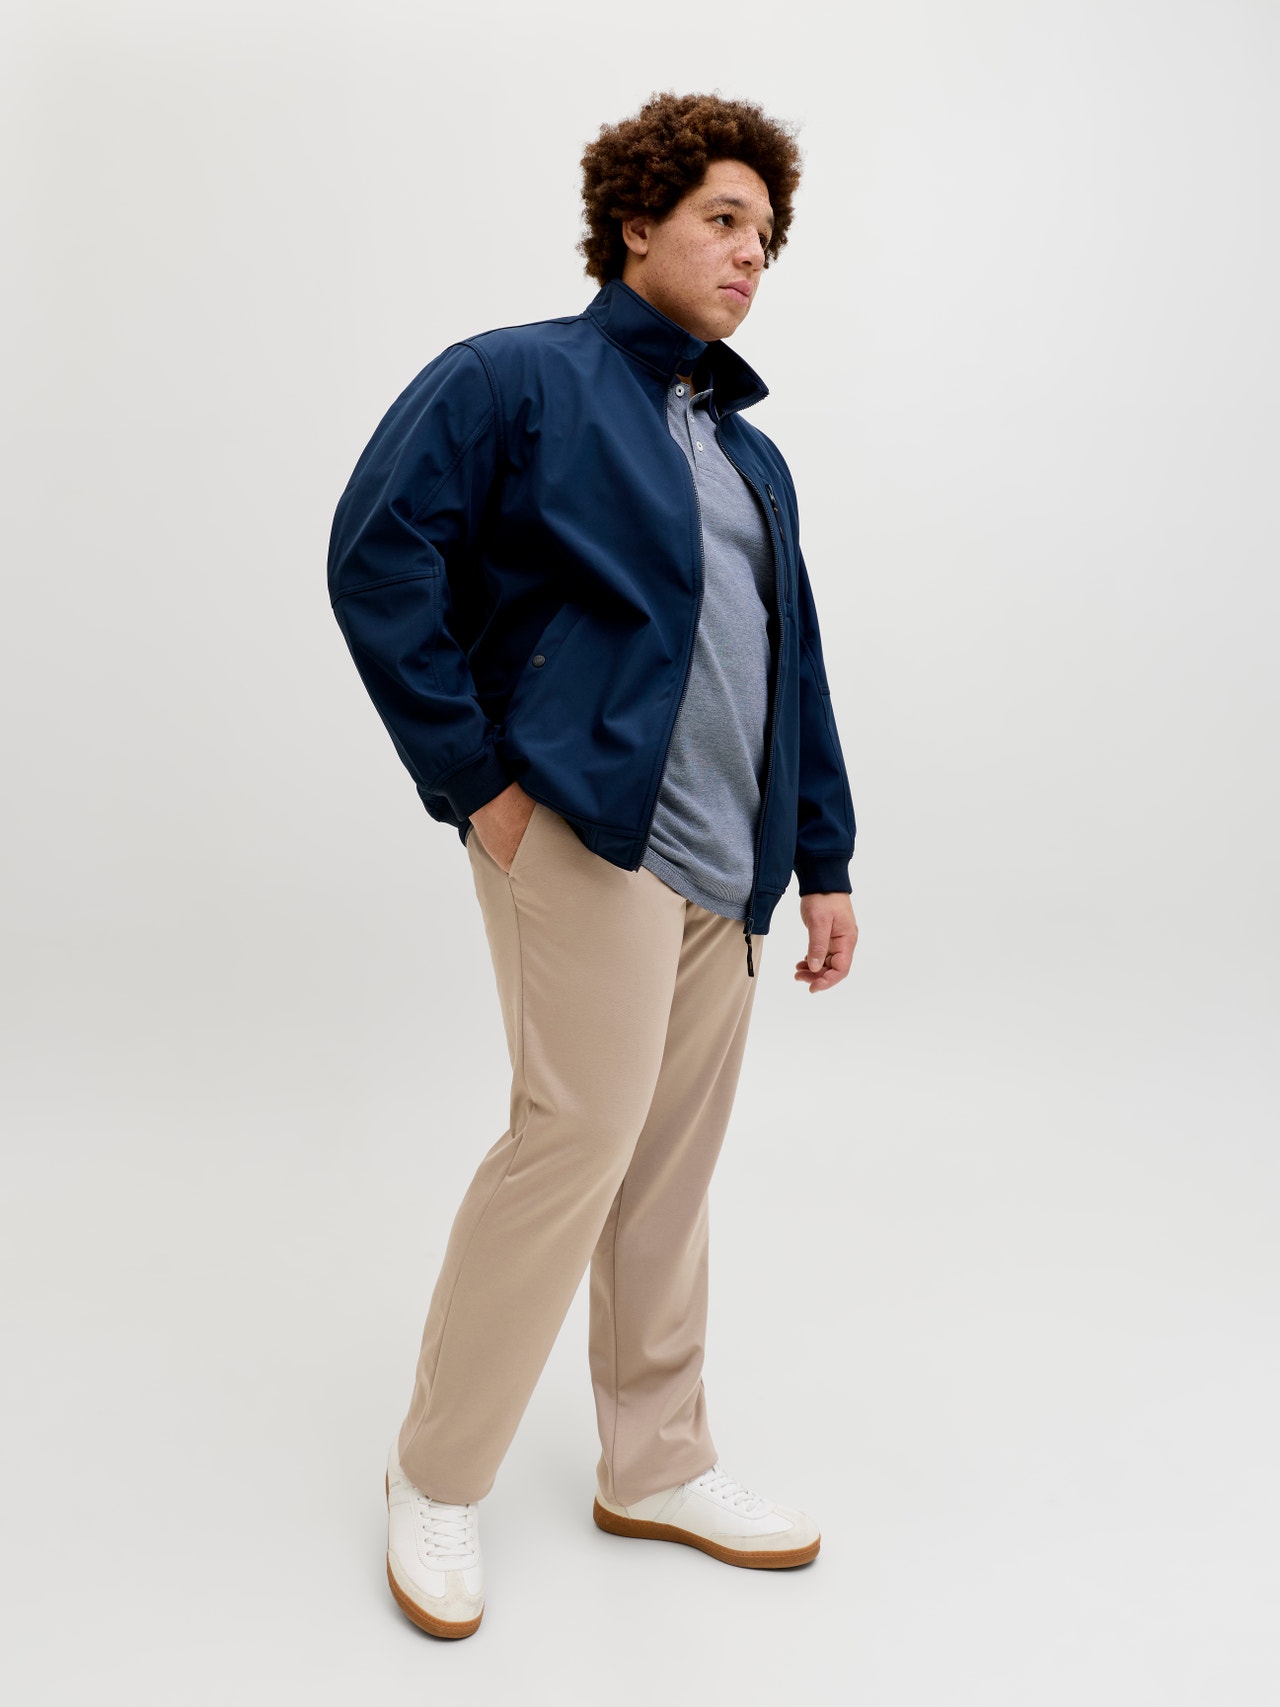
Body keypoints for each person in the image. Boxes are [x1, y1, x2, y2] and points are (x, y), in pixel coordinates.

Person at [328, 91, 858, 1640]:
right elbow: (378, 555)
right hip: (582, 833)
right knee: (572, 1139)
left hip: (727, 864)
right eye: (722, 220)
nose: (751, 254)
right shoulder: (516, 380)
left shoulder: (751, 456)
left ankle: (657, 1463)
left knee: (667, 1167)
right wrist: (477, 786)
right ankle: (438, 1473)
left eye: (767, 236)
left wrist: (821, 852)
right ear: (637, 222)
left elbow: (793, 660)